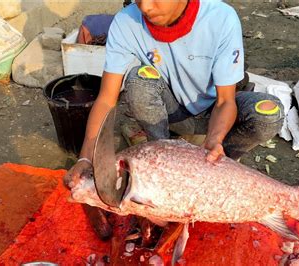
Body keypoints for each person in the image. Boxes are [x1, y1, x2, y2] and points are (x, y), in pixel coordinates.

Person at [64, 0, 284, 240]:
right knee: (139, 80)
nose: (146, 7)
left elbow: (225, 102)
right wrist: (86, 157)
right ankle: (161, 159)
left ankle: (222, 162)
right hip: (173, 111)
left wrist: (215, 139)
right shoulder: (127, 22)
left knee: (268, 114)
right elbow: (107, 99)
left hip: (214, 112)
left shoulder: (221, 17)